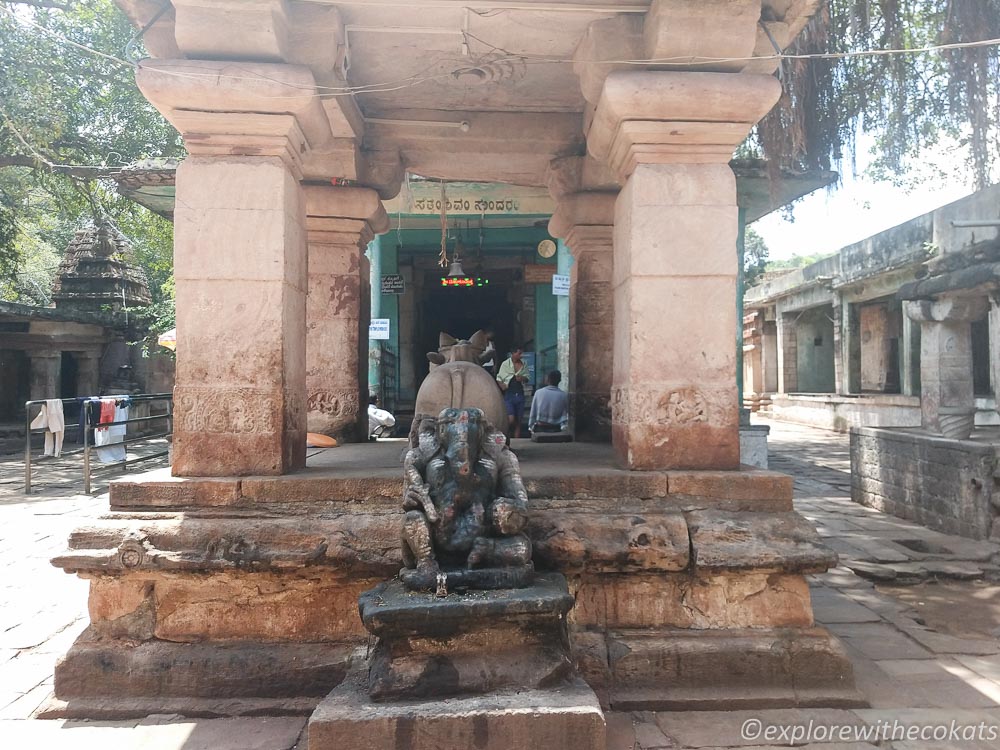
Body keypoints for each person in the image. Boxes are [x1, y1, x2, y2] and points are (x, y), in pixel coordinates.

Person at [496, 346, 530, 438]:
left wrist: (522, 378)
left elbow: (527, 378)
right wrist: (502, 385)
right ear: (513, 353)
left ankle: (517, 441)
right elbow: (499, 378)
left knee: (519, 421)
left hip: (520, 393)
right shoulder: (505, 364)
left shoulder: (524, 363)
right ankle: (506, 435)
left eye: (521, 353)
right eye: (519, 353)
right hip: (509, 394)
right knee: (510, 419)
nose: (521, 355)